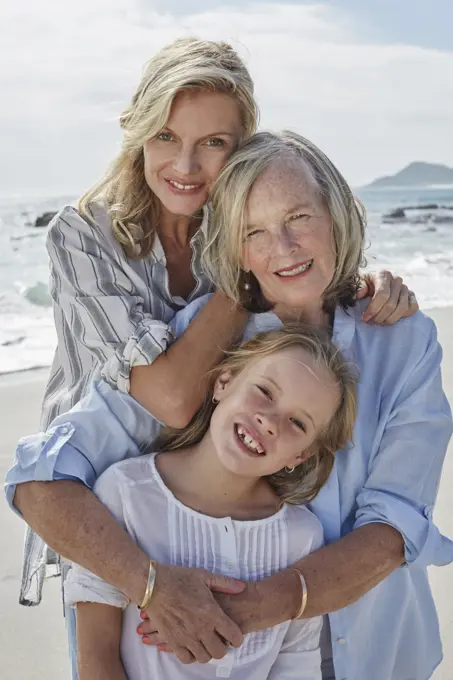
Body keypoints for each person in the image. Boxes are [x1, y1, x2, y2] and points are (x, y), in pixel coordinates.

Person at [7, 130, 452, 680]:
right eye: (254, 232)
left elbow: (395, 528)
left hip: (383, 656)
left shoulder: (404, 340)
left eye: (298, 218)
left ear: (335, 213)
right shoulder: (205, 339)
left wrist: (262, 606)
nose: (282, 249)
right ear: (233, 248)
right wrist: (150, 583)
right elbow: (40, 482)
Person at [22, 36, 414, 617]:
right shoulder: (83, 236)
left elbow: (301, 265)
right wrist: (242, 276)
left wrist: (368, 281)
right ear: (137, 131)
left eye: (213, 143)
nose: (185, 167)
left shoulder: (236, 226)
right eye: (165, 137)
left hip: (208, 488)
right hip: (95, 499)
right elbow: (174, 399)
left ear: (241, 147)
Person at [67, 326, 357, 680]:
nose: (269, 421)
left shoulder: (302, 536)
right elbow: (96, 657)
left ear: (301, 454)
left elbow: (297, 664)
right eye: (265, 391)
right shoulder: (126, 492)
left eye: (297, 422)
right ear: (224, 382)